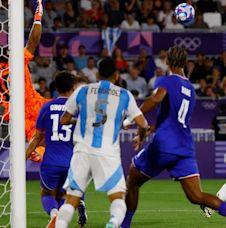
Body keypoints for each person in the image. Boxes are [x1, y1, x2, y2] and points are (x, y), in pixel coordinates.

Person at [120, 46, 226, 228]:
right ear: (185, 63)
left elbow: (156, 99)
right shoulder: (190, 88)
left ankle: (124, 225)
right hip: (185, 147)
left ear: (167, 61)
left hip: (164, 145)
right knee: (196, 196)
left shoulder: (166, 80)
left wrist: (130, 119)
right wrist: (154, 127)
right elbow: (177, 118)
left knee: (132, 180)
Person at [54, 57, 149, 228]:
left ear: (97, 74)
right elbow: (143, 123)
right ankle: (113, 223)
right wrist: (140, 137)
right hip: (108, 154)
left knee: (71, 200)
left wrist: (80, 120)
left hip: (82, 151)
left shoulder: (82, 91)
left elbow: (64, 119)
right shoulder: (125, 95)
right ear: (117, 75)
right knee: (118, 197)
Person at [25, 72, 87, 227]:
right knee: (64, 194)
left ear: (56, 87)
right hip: (72, 161)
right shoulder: (79, 109)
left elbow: (37, 137)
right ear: (73, 88)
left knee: (46, 193)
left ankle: (54, 214)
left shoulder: (47, 107)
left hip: (51, 161)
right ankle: (78, 202)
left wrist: (23, 158)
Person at [0, 0, 51, 140]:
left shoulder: (15, 60)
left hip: (16, 116)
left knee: (37, 147)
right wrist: (38, 15)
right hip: (34, 107)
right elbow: (33, 42)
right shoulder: (17, 60)